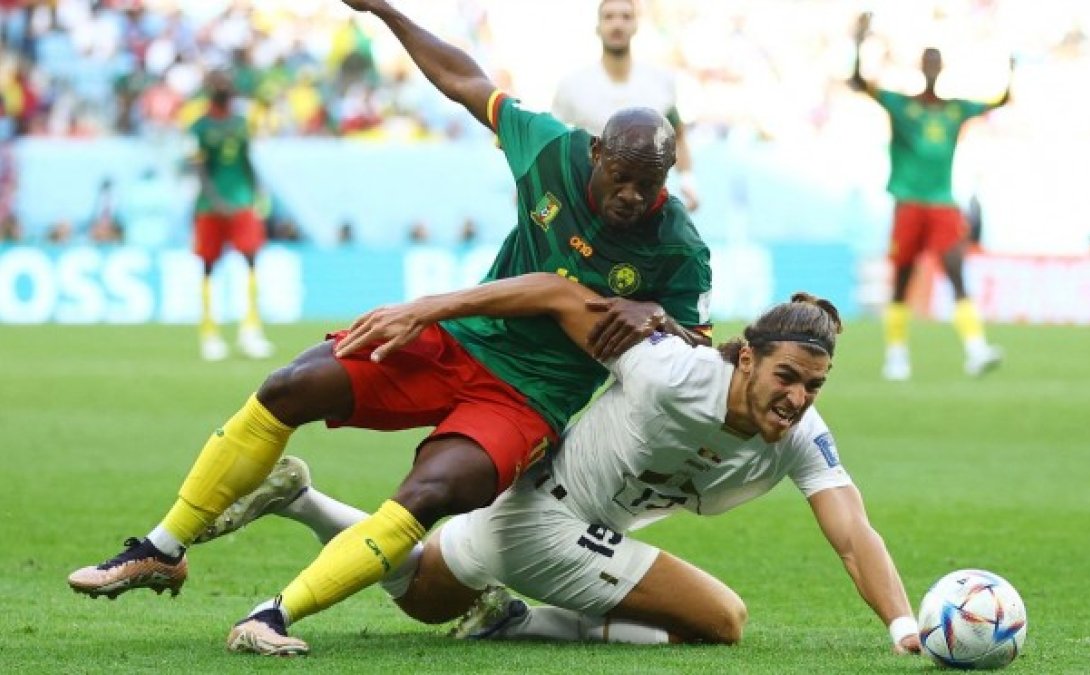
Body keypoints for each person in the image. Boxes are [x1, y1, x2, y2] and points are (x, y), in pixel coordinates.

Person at [67, 0, 712, 654]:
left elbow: (699, 358)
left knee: (430, 489)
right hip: (459, 340)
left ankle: (275, 615)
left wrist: (657, 320)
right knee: (292, 383)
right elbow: (465, 83)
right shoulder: (552, 150)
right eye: (622, 178)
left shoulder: (678, 247)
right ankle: (162, 548)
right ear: (597, 152)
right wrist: (384, 12)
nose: (634, 196)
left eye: (649, 184)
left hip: (528, 401)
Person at [207, 273, 921, 655]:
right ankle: (520, 622)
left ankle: (299, 497)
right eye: (787, 376)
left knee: (426, 591)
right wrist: (430, 309)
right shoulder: (670, 369)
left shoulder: (801, 433)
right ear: (745, 356)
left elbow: (854, 534)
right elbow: (553, 291)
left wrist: (903, 626)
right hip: (551, 513)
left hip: (543, 512)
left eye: (812, 386)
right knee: (722, 618)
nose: (796, 398)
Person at [850, 12, 1012, 381]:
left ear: (942, 68)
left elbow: (1001, 100)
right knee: (903, 278)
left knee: (956, 271)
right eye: (928, 62)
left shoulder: (956, 109)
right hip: (908, 202)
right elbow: (859, 82)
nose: (932, 68)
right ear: (921, 67)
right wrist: (859, 43)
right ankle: (896, 355)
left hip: (942, 204)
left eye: (937, 62)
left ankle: (975, 349)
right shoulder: (901, 105)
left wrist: (1009, 67)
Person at [553, 0, 700, 212]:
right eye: (609, 17)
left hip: (644, 206)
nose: (617, 24)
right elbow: (553, 144)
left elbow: (678, 135)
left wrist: (688, 180)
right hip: (586, 204)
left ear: (636, 25)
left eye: (625, 16)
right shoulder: (572, 86)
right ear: (598, 26)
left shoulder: (660, 81)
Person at [188, 70, 274, 362]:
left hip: (242, 202)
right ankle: (209, 334)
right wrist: (215, 199)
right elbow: (199, 168)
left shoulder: (241, 124)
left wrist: (257, 192)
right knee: (209, 267)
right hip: (210, 207)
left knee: (251, 262)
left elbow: (248, 159)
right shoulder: (199, 127)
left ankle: (250, 331)